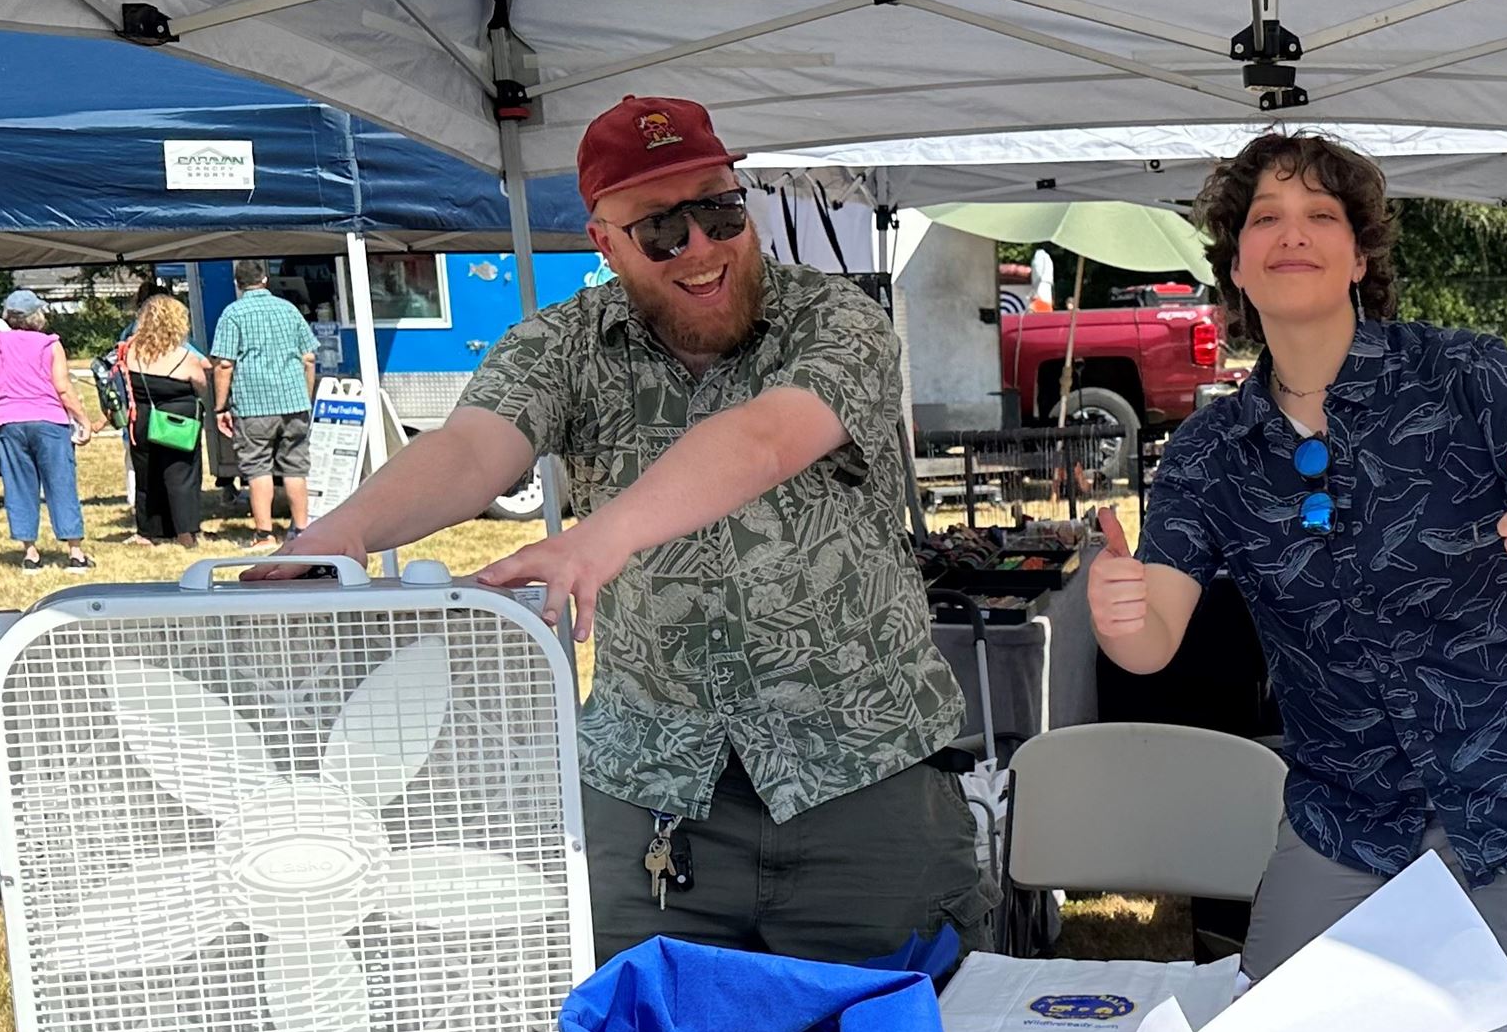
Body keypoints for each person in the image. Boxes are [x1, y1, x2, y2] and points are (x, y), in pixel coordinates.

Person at [273, 95, 980, 965]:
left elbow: (764, 437)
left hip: (864, 778)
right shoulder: (565, 344)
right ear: (604, 243)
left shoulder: (834, 318)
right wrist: (337, 532)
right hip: (655, 796)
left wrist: (595, 538)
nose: (703, 249)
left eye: (721, 211)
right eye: (661, 230)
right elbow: (470, 449)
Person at [1089, 132, 1507, 982]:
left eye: (1321, 215)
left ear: (1359, 257)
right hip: (1347, 823)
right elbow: (1153, 638)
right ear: (1236, 266)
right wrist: (1118, 610)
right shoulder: (1210, 451)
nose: (1293, 232)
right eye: (1265, 217)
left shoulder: (1465, 372)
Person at [0, 289, 92, 572]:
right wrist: (83, 419)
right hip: (48, 420)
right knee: (61, 482)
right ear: (36, 316)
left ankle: (30, 553)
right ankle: (75, 552)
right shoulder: (50, 344)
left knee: (18, 485)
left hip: (9, 421)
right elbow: (62, 387)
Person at [210, 259, 319, 545]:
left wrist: (220, 405)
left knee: (258, 469)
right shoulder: (289, 310)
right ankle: (302, 531)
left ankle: (264, 533)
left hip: (253, 404)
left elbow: (224, 364)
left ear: (238, 284)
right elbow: (309, 357)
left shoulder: (232, 314)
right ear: (265, 280)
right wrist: (305, 396)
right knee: (296, 467)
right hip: (294, 401)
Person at [122, 294, 211, 547]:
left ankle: (148, 532)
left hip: (140, 418)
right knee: (181, 476)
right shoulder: (185, 357)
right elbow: (201, 386)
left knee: (146, 476)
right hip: (177, 421)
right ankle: (185, 533)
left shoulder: (130, 350)